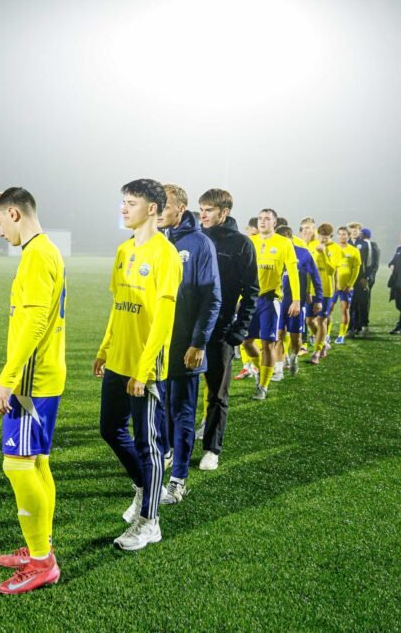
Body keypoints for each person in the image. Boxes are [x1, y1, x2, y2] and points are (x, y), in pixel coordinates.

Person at [95, 179, 181, 551]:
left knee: (149, 444)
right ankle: (146, 487)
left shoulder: (166, 254)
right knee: (109, 428)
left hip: (145, 366)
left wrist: (144, 369)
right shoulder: (124, 250)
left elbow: (164, 318)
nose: (123, 208)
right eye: (123, 202)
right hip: (118, 358)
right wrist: (105, 348)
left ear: (152, 208)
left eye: (131, 202)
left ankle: (150, 522)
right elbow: (119, 306)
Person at [0, 187, 65, 595]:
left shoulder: (36, 255)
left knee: (17, 465)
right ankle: (41, 545)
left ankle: (41, 561)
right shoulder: (45, 250)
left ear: (14, 213)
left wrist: (8, 378)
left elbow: (34, 324)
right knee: (37, 463)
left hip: (31, 383)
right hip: (45, 376)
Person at [155, 184, 220, 502]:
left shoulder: (200, 244)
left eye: (165, 206)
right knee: (159, 409)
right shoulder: (153, 240)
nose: (158, 211)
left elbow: (211, 298)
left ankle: (178, 479)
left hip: (184, 345)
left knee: (181, 413)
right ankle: (163, 458)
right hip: (156, 346)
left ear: (181, 208)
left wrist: (198, 343)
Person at [196, 188, 257, 471]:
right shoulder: (195, 238)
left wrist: (239, 331)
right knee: (181, 392)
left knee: (217, 394)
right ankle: (174, 445)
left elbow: (251, 291)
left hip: (221, 331)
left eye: (208, 209)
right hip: (190, 330)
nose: (203, 214)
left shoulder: (241, 244)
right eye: (201, 209)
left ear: (224, 212)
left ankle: (212, 449)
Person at [241, 209, 299, 401]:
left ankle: (263, 386)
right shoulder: (251, 241)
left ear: (274, 223)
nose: (262, 221)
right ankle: (261, 371)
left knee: (268, 343)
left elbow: (293, 272)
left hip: (270, 300)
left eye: (267, 219)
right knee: (246, 342)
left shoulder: (284, 243)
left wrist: (296, 299)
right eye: (260, 218)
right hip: (250, 299)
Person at [275, 225, 322, 376]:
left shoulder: (303, 254)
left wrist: (318, 299)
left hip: (296, 302)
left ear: (291, 239)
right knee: (278, 335)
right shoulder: (274, 253)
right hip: (277, 302)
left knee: (296, 338)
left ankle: (294, 357)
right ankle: (279, 367)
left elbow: (315, 277)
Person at [328, 227, 361, 344]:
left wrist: (350, 284)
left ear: (348, 236)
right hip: (332, 286)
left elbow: (356, 269)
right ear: (337, 236)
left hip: (346, 287)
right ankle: (327, 334)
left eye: (344, 234)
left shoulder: (354, 250)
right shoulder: (331, 249)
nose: (342, 236)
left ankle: (341, 335)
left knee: (345, 309)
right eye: (340, 234)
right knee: (328, 309)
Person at [347, 222, 371, 337]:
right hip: (348, 279)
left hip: (361, 278)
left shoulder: (365, 244)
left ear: (359, 232)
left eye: (356, 230)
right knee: (350, 304)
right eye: (352, 230)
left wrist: (366, 277)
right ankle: (350, 328)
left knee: (362, 303)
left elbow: (369, 262)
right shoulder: (345, 244)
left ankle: (364, 327)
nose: (354, 232)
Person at [360, 227, 380, 335]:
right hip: (360, 277)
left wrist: (369, 277)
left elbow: (375, 265)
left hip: (367, 278)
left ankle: (364, 324)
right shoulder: (360, 245)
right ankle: (357, 324)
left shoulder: (372, 247)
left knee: (364, 300)